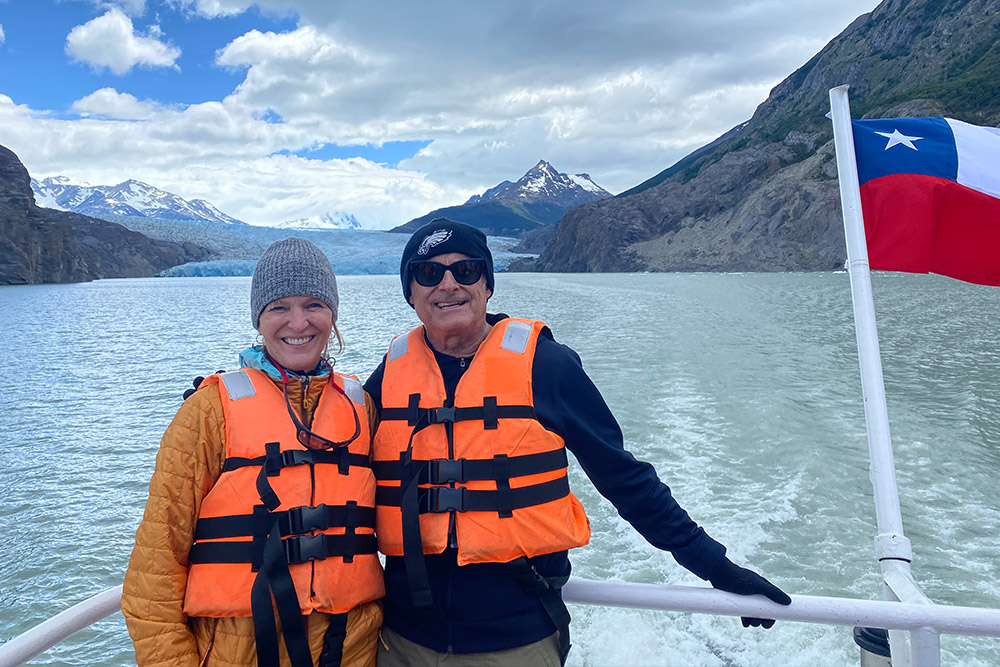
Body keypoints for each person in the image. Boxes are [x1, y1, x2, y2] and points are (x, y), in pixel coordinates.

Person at [365, 219, 791, 666]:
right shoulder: (389, 376)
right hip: (402, 643)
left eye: (467, 270)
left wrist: (716, 567)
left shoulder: (547, 366)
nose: (449, 283)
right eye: (429, 273)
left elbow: (625, 479)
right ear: (410, 294)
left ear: (487, 285)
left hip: (516, 643)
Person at [122, 238, 384, 667]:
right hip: (238, 650)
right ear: (258, 319)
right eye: (279, 307)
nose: (298, 322)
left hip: (351, 646)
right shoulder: (208, 412)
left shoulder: (361, 407)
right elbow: (154, 568)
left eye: (313, 305)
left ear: (332, 314)